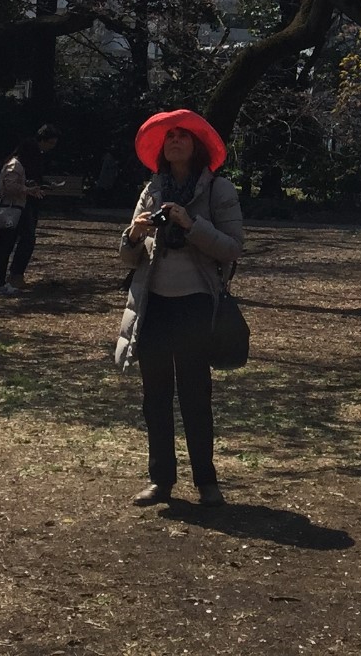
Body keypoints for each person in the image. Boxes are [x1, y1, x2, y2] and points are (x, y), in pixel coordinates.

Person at [115, 109, 243, 508]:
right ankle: (160, 481)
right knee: (155, 396)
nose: (175, 142)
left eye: (183, 137)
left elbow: (232, 248)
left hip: (195, 303)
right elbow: (126, 257)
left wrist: (190, 224)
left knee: (194, 394)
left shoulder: (218, 189)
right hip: (153, 305)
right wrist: (134, 233)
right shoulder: (152, 189)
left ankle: (206, 481)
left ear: (196, 145)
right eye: (169, 138)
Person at [0, 124, 57, 293]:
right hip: (11, 208)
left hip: (17, 207)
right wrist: (28, 190)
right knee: (5, 245)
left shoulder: (17, 165)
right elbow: (9, 186)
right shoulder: (15, 165)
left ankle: (1, 281)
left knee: (8, 244)